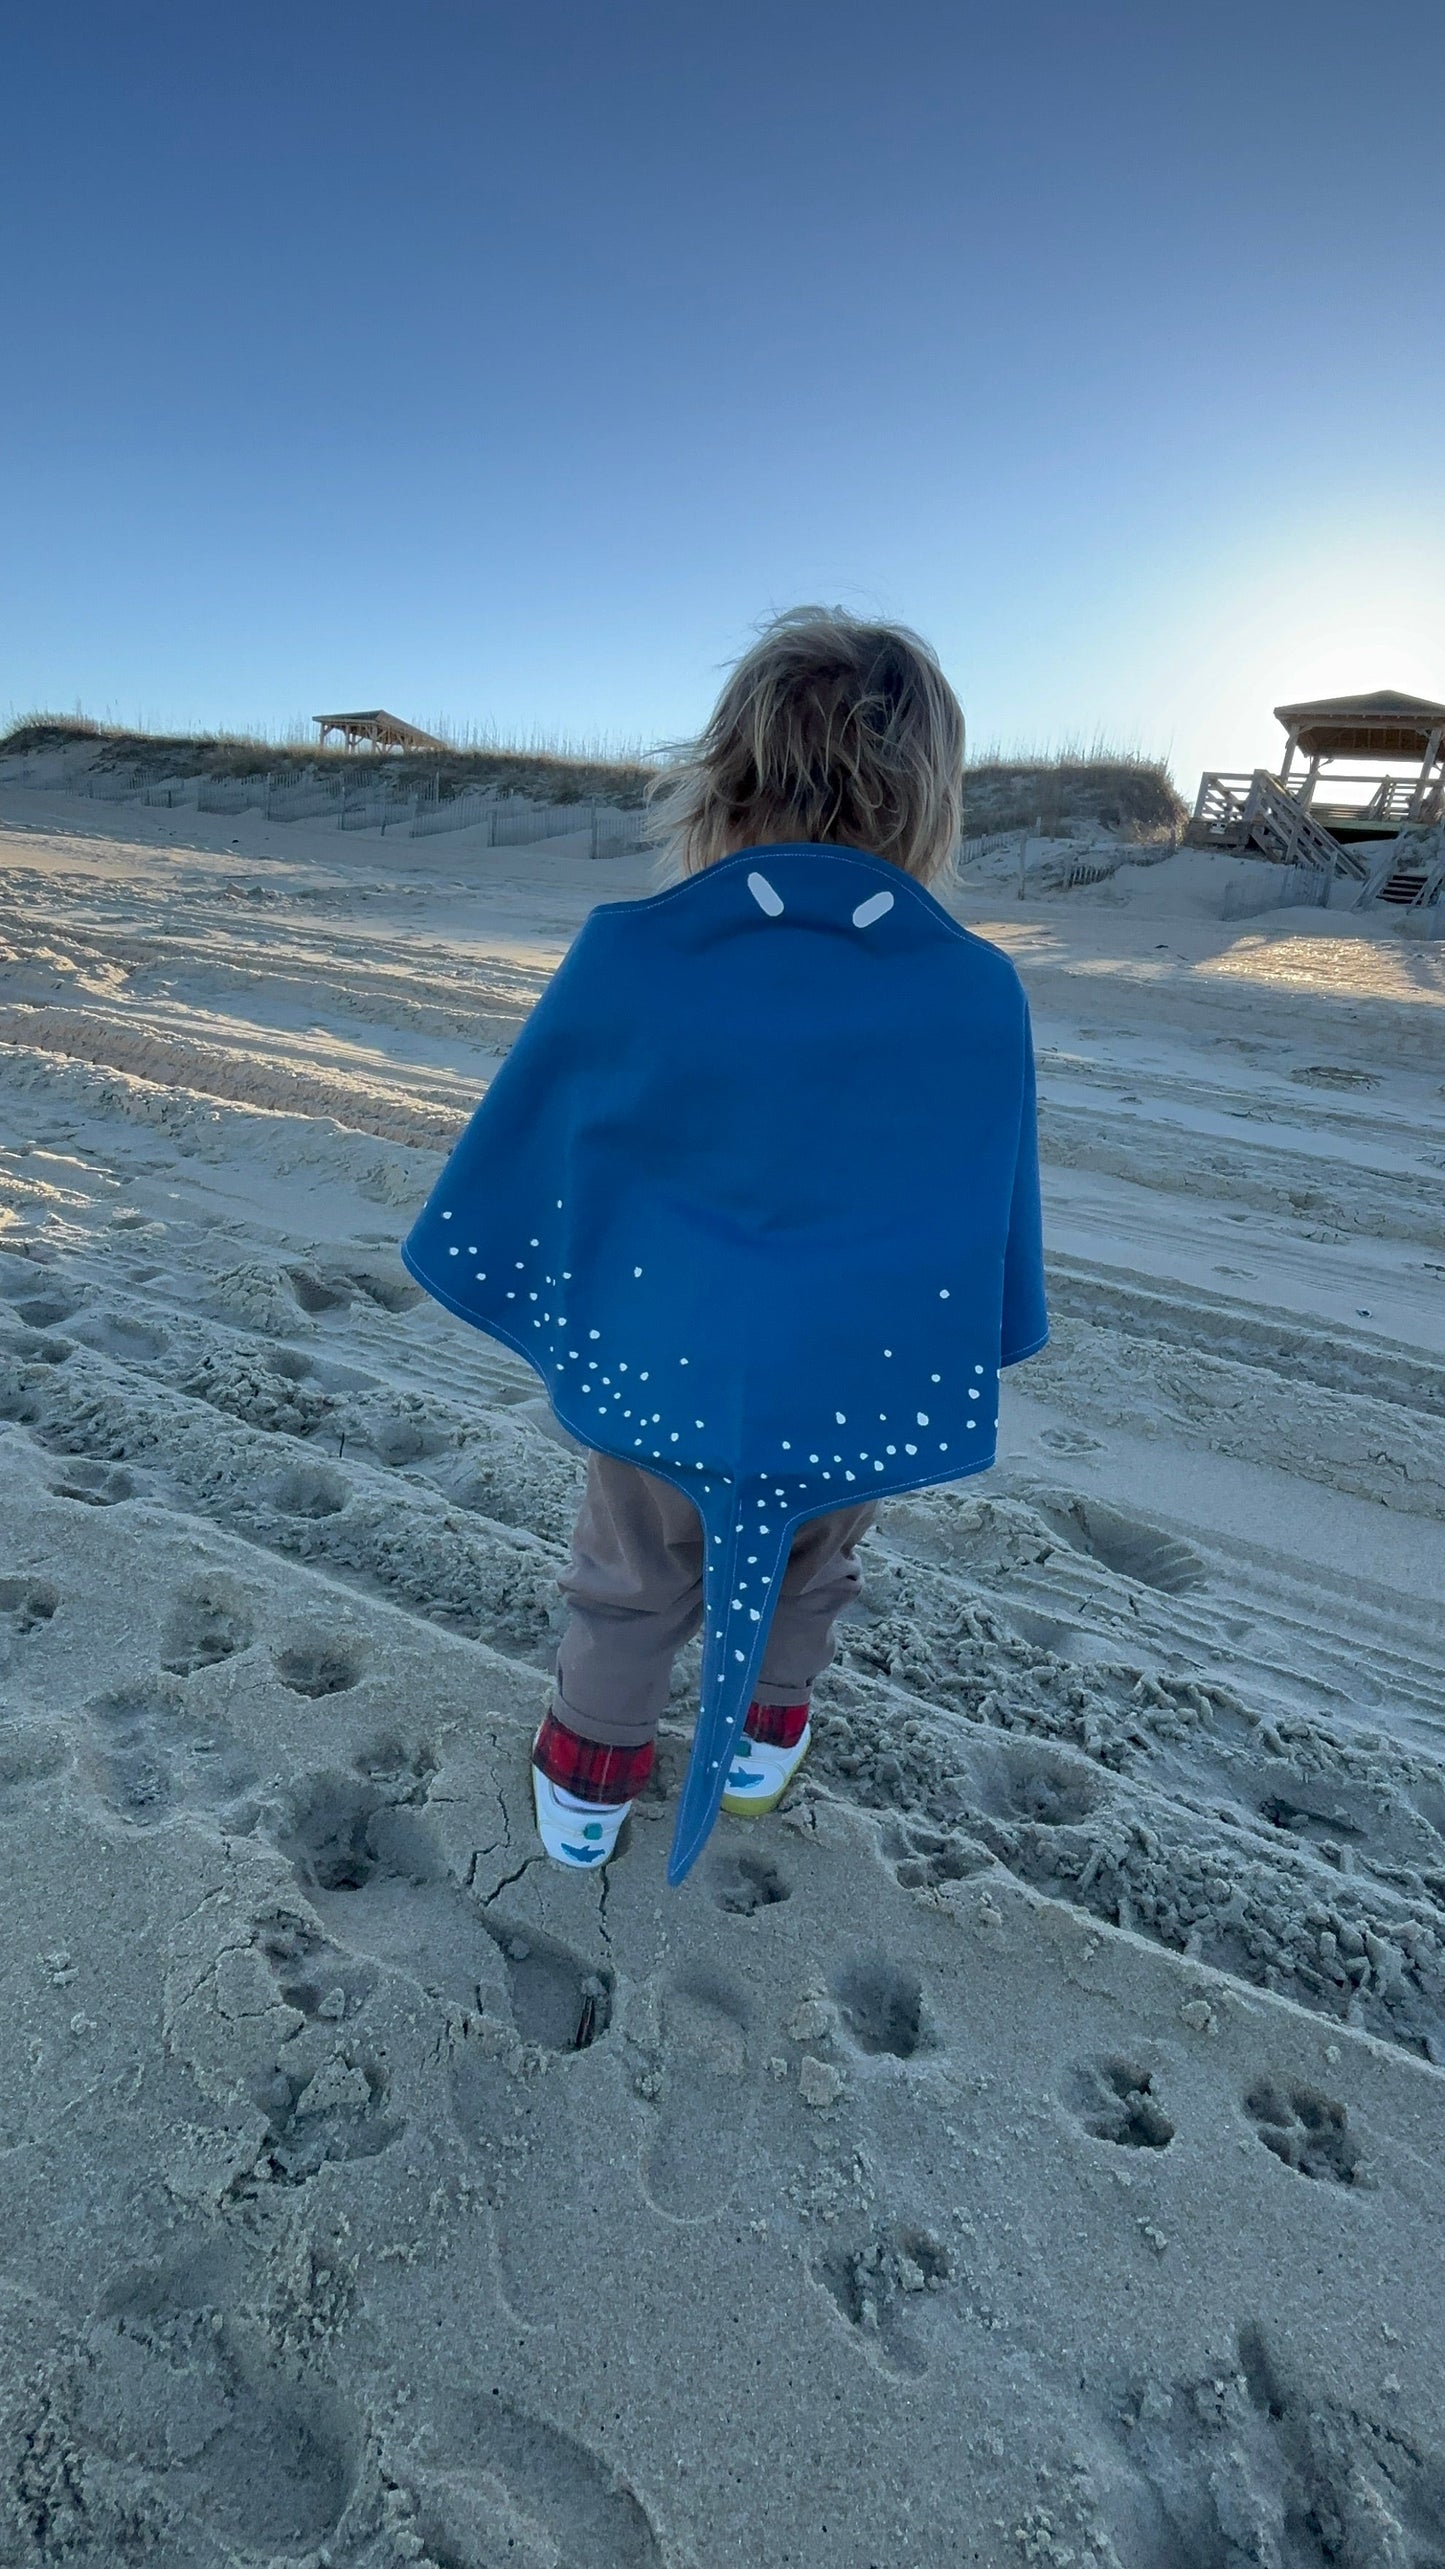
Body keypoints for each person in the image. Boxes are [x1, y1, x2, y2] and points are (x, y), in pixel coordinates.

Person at [522, 606, 1041, 1868]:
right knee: (809, 1563)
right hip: (856, 1371)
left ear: (721, 781)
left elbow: (568, 1146)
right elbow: (976, 1209)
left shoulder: (641, 953)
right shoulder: (972, 988)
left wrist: (574, 1302)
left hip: (663, 1355)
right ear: (928, 805)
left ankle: (588, 1792)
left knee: (633, 1567)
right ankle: (756, 1756)